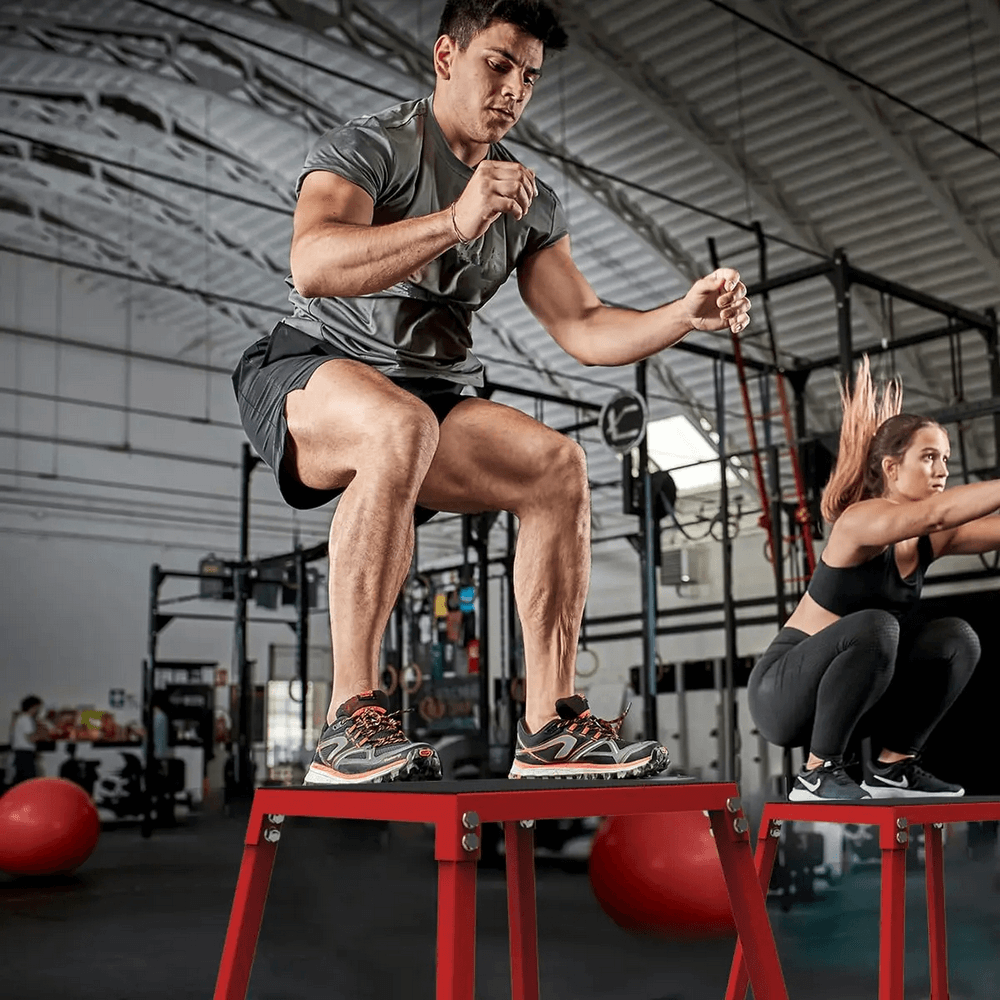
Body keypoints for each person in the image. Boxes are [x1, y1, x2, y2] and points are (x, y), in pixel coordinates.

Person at [233, 0, 751, 784]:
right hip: (313, 368)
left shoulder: (530, 200)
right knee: (397, 425)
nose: (513, 89)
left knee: (557, 467)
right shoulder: (373, 145)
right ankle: (348, 719)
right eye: (498, 64)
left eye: (531, 77)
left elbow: (582, 326)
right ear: (447, 57)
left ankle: (549, 726)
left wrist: (681, 313)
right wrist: (453, 218)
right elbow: (315, 263)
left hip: (430, 398)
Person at [748, 357, 992, 801]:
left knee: (958, 638)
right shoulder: (861, 521)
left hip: (853, 694)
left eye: (946, 460)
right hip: (782, 693)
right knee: (878, 624)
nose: (942, 470)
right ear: (892, 469)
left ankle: (892, 768)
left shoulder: (927, 539)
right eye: (930, 457)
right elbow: (939, 511)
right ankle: (816, 774)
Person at [10, 695, 43, 784]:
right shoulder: (26, 719)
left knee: (20, 780)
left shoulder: (20, 718)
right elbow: (31, 739)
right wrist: (42, 733)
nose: (38, 710)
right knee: (29, 781)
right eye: (37, 707)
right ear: (33, 707)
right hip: (25, 754)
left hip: (20, 753)